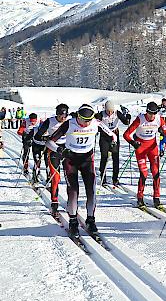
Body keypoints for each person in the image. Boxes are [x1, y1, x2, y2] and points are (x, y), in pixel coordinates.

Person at [46, 104, 117, 236]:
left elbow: (113, 135)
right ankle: (73, 221)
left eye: (89, 120)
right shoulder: (69, 124)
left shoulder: (96, 123)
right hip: (71, 160)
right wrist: (60, 150)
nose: (86, 124)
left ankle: (91, 219)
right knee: (73, 190)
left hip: (87, 160)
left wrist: (113, 144)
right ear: (78, 116)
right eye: (84, 120)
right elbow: (50, 142)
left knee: (91, 190)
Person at [123, 102, 166, 208]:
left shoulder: (159, 119)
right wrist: (133, 143)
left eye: (154, 113)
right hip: (141, 148)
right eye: (150, 113)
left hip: (153, 148)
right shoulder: (140, 119)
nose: (152, 116)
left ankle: (156, 197)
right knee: (144, 174)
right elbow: (126, 134)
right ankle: (140, 197)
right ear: (147, 112)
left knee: (156, 173)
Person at [34, 104, 70, 216]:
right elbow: (37, 136)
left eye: (65, 115)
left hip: (67, 150)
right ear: (57, 114)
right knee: (55, 177)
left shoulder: (70, 121)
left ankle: (71, 202)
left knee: (69, 176)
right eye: (61, 116)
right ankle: (54, 202)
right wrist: (46, 138)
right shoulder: (50, 121)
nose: (63, 118)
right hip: (53, 150)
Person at [95, 100, 131, 187]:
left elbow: (126, 122)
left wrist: (128, 117)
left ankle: (115, 178)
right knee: (104, 157)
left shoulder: (117, 113)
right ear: (105, 109)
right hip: (104, 137)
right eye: (108, 111)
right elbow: (95, 125)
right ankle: (103, 178)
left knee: (115, 157)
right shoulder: (101, 114)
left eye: (111, 110)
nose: (110, 113)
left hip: (115, 136)